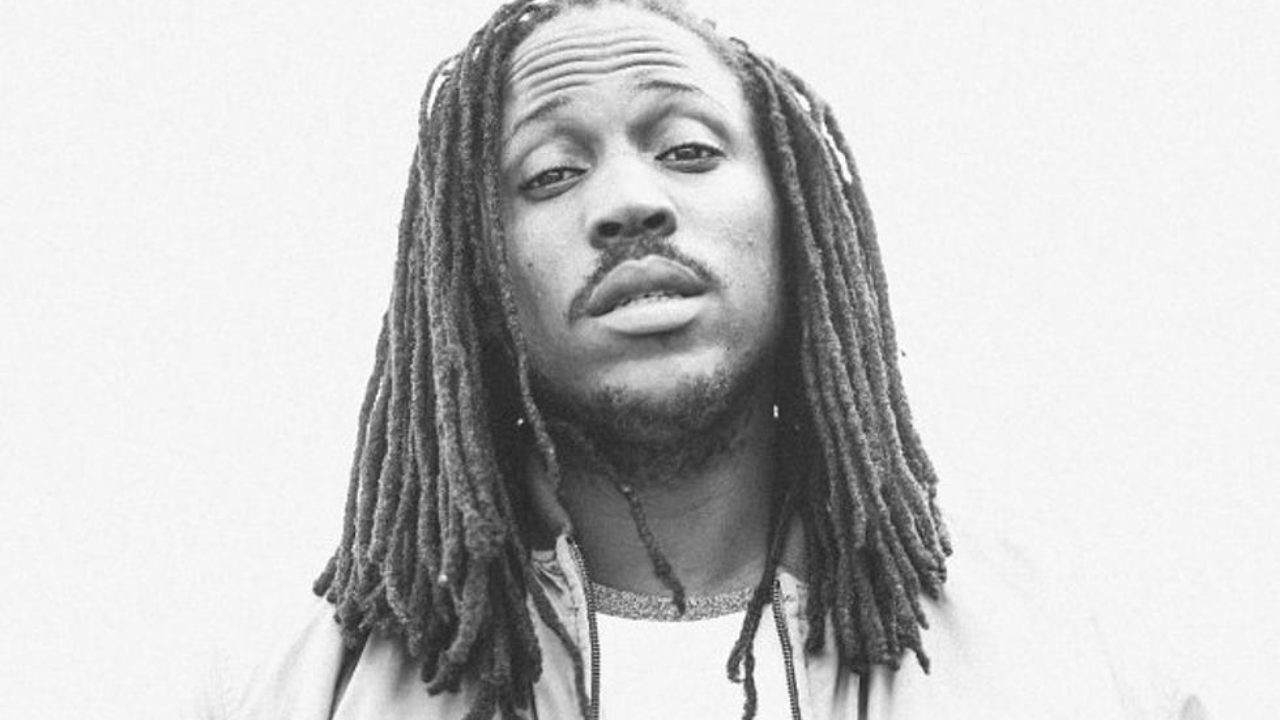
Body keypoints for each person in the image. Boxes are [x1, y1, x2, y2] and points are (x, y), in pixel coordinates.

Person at [194, 0, 1207, 718]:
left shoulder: (1071, 668)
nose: (629, 203)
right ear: (472, 281)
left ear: (801, 226)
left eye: (686, 150)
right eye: (550, 173)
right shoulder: (291, 694)